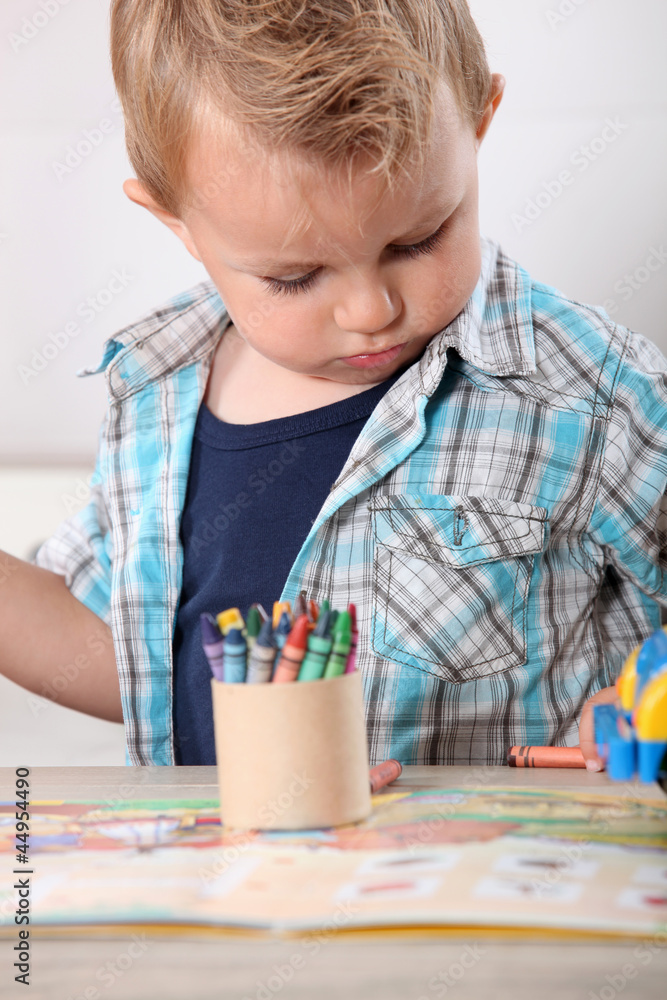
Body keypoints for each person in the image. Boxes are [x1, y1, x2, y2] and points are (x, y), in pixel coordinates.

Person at [2, 0, 665, 768]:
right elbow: (133, 661)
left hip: (475, 880)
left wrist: (638, 704)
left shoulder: (590, 395)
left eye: (416, 240)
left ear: (478, 122)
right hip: (215, 882)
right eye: (295, 276)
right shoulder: (153, 389)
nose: (370, 310)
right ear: (175, 222)